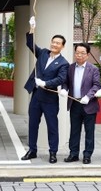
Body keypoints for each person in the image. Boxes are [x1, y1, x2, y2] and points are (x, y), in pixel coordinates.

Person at [21, 16, 69, 164]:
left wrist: (45, 83)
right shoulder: (43, 53)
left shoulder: (63, 63)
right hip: (36, 96)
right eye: (53, 42)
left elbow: (60, 79)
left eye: (58, 43)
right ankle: (32, 150)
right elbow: (30, 44)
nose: (54, 44)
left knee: (52, 126)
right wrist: (32, 28)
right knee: (33, 124)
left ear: (62, 46)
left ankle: (53, 152)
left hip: (50, 99)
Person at [60, 43, 100, 164]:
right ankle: (73, 154)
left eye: (82, 53)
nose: (79, 55)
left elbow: (96, 85)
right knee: (74, 130)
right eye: (77, 53)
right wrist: (64, 89)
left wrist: (88, 96)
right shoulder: (70, 68)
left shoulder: (93, 69)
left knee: (89, 131)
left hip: (89, 104)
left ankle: (87, 155)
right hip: (75, 103)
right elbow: (66, 82)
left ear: (87, 55)